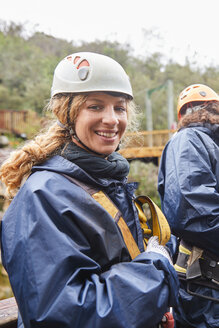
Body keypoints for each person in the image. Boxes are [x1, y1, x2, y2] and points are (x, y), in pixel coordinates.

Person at [0, 52, 178, 328]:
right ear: (67, 114)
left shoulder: (103, 179)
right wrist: (156, 269)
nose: (111, 119)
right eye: (95, 107)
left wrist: (153, 307)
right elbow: (62, 315)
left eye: (119, 108)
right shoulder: (43, 197)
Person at [158, 83, 219, 328]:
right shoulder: (190, 140)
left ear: (182, 115)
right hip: (206, 291)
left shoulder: (191, 140)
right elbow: (190, 211)